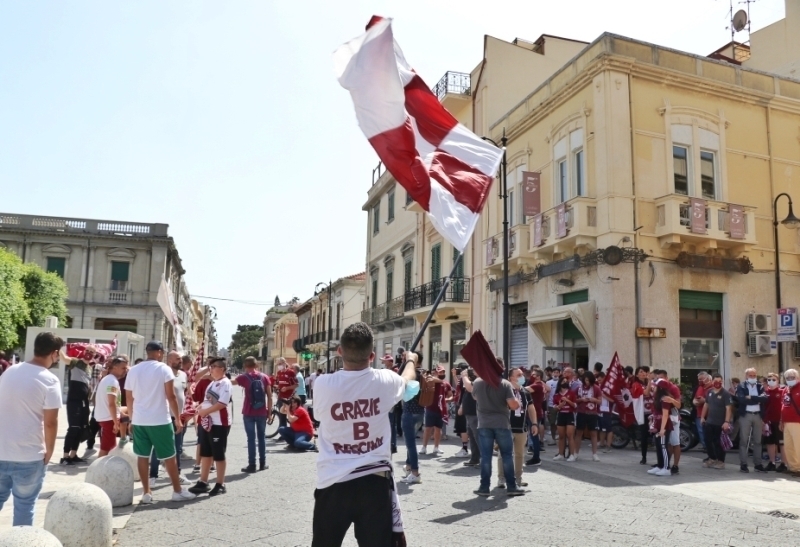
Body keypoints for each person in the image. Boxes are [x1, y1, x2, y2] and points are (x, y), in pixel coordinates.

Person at [311, 323, 417, 547]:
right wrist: (411, 360)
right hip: (374, 481)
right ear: (372, 355)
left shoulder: (322, 384)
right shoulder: (385, 380)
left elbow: (319, 415)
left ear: (339, 352)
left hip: (333, 480)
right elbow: (409, 382)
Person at [0, 332, 63, 526]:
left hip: (2, 450)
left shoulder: (10, 371)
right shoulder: (50, 380)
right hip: (29, 454)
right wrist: (50, 450)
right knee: (25, 505)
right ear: (54, 353)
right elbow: (51, 422)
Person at [125, 341, 195, 503]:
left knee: (143, 456)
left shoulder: (134, 370)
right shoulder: (164, 369)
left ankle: (146, 493)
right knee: (169, 456)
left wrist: (131, 418)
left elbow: (129, 397)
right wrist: (177, 418)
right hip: (160, 420)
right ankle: (177, 491)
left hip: (140, 420)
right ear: (159, 352)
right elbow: (170, 396)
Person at [463, 360, 525, 497]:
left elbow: (474, 397)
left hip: (484, 424)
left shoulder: (478, 382)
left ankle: (484, 487)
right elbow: (513, 405)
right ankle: (512, 486)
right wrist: (518, 401)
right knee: (507, 456)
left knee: (486, 457)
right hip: (502, 423)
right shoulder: (505, 384)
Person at [188, 357, 233, 496]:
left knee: (218, 454)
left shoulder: (226, 383)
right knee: (205, 453)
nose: (211, 369)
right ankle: (203, 481)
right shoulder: (211, 384)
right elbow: (206, 401)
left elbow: (222, 404)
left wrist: (205, 411)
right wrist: (199, 407)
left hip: (219, 423)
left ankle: (220, 483)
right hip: (206, 422)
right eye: (210, 366)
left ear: (223, 369)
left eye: (214, 367)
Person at [149, 351, 189, 485]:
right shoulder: (163, 373)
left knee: (177, 448)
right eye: (178, 358)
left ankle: (177, 475)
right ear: (170, 360)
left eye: (181, 358)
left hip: (179, 416)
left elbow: (184, 393)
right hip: (164, 417)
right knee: (158, 447)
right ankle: (153, 476)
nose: (181, 361)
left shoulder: (183, 375)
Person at [233, 356, 272, 472]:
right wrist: (269, 413)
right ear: (257, 365)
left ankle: (252, 465)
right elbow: (269, 396)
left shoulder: (244, 377)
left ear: (245, 366)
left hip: (248, 412)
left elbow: (229, 382)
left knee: (251, 439)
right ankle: (262, 463)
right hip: (262, 412)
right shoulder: (265, 377)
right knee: (261, 438)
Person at [497, 368, 535, 487]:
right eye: (519, 375)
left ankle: (518, 478)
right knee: (503, 454)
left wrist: (534, 423)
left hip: (521, 428)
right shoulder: (504, 391)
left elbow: (531, 408)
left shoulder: (525, 391)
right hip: (506, 427)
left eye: (522, 375)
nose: (522, 377)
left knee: (519, 454)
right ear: (511, 378)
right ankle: (501, 478)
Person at [59, 345, 96, 465]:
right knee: (73, 428)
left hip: (84, 402)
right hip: (74, 401)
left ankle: (73, 455)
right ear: (84, 351)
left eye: (92, 352)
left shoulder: (90, 368)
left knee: (81, 429)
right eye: (88, 351)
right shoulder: (76, 362)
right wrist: (58, 347)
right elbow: (64, 358)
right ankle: (65, 456)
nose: (89, 353)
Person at [95, 356, 130, 457]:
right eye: (123, 368)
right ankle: (98, 470)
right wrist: (115, 422)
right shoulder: (112, 382)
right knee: (107, 449)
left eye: (126, 368)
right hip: (108, 418)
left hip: (106, 416)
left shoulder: (108, 379)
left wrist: (121, 414)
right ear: (114, 367)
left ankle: (124, 437)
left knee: (108, 448)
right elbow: (112, 403)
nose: (125, 371)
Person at [733, 367, 768, 473]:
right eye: (750, 375)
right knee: (744, 440)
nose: (753, 377)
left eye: (754, 375)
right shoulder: (741, 386)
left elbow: (765, 398)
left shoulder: (760, 386)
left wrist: (751, 397)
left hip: (757, 415)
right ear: (746, 376)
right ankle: (743, 464)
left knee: (758, 441)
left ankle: (758, 464)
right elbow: (742, 400)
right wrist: (757, 399)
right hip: (746, 415)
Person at [400, 352, 426, 484]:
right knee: (412, 443)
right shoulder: (424, 374)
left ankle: (415, 472)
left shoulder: (411, 374)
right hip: (420, 412)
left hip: (409, 412)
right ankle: (409, 468)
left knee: (411, 445)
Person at [700, 373, 733, 471]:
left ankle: (721, 461)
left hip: (720, 423)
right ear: (712, 381)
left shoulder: (725, 394)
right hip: (709, 421)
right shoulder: (709, 392)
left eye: (720, 381)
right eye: (716, 381)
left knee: (719, 443)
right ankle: (712, 458)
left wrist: (726, 421)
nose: (718, 383)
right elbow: (706, 405)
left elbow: (729, 409)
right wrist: (702, 417)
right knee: (708, 441)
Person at [420, 366, 452, 456]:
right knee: (428, 429)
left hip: (441, 409)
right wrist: (438, 379)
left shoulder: (447, 384)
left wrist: (447, 400)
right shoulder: (432, 381)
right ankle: (424, 447)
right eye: (440, 372)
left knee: (438, 429)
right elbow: (429, 378)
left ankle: (436, 447)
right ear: (436, 372)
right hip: (430, 407)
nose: (442, 374)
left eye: (443, 372)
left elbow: (451, 395)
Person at [573, 370, 602, 462]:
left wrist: (594, 400)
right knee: (579, 433)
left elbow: (600, 401)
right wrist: (581, 399)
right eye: (586, 380)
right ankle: (575, 453)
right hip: (581, 412)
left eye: (589, 380)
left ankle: (594, 454)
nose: (587, 382)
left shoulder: (596, 388)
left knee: (593, 434)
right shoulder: (579, 387)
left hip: (592, 413)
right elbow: (574, 399)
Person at [764, 372, 787, 472]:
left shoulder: (782, 392)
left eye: (774, 380)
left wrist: (783, 420)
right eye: (769, 380)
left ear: (778, 381)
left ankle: (784, 463)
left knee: (782, 443)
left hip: (779, 421)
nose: (771, 382)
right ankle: (772, 462)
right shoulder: (764, 392)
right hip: (768, 422)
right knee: (770, 442)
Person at [780, 369, 800, 474]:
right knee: (789, 447)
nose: (790, 379)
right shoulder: (785, 389)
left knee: (798, 446)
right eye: (788, 378)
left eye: (793, 377)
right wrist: (781, 421)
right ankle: (794, 468)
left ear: (797, 378)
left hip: (797, 422)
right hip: (786, 422)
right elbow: (783, 405)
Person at [524, 369, 546, 465]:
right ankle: (535, 457)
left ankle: (536, 458)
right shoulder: (538, 385)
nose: (531, 376)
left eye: (534, 375)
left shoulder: (537, 385)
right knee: (533, 436)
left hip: (535, 413)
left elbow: (523, 389)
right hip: (532, 413)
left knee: (534, 437)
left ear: (538, 376)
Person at [552, 378, 577, 461]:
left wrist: (567, 400)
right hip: (561, 415)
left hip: (569, 415)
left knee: (570, 435)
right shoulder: (556, 395)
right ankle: (561, 454)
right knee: (561, 436)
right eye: (563, 381)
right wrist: (559, 406)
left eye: (566, 381)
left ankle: (572, 455)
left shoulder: (571, 393)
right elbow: (555, 407)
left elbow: (575, 405)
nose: (565, 382)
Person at [460, 367, 481, 467]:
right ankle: (474, 458)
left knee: (478, 437)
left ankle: (483, 460)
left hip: (475, 413)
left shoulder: (478, 381)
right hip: (469, 413)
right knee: (472, 437)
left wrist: (464, 376)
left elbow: (470, 388)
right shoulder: (471, 380)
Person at [274, 358, 298, 429]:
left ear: (284, 363)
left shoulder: (291, 372)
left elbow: (296, 384)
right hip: (281, 397)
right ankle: (283, 433)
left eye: (280, 364)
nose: (279, 365)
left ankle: (293, 431)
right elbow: (279, 384)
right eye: (278, 364)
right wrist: (276, 387)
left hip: (289, 397)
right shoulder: (279, 373)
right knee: (282, 416)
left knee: (291, 415)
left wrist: (287, 388)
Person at [693, 371, 712, 452]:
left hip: (710, 415)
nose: (700, 381)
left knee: (709, 434)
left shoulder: (713, 387)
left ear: (707, 378)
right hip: (699, 413)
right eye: (698, 379)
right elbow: (695, 397)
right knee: (701, 432)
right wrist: (694, 402)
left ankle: (710, 450)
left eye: (701, 379)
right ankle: (706, 448)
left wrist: (704, 400)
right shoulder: (699, 387)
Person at [546, 368, 560, 445]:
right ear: (552, 374)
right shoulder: (548, 382)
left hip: (560, 405)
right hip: (551, 405)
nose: (555, 374)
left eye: (557, 372)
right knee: (552, 422)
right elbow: (546, 394)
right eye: (554, 372)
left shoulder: (561, 382)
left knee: (561, 423)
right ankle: (553, 438)